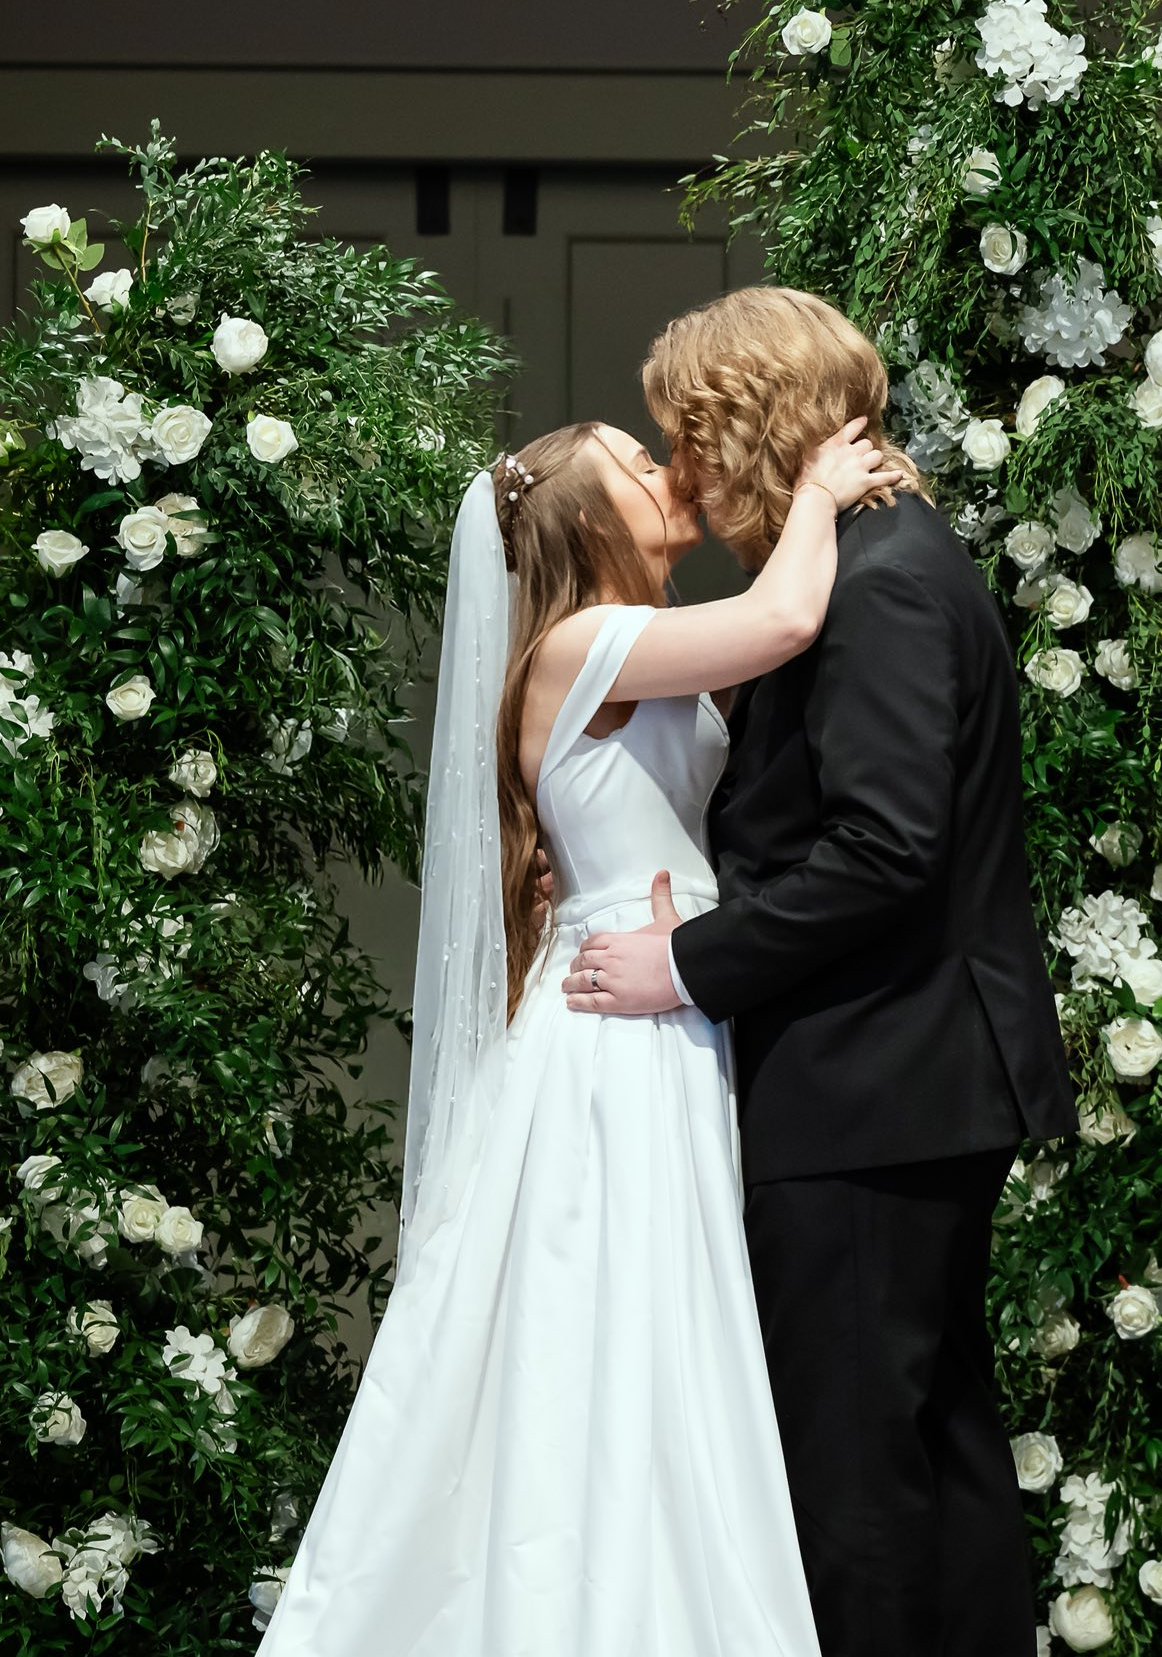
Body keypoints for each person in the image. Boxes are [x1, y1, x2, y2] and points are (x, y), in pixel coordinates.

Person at [255, 410, 900, 1656]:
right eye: (641, 466)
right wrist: (816, 492)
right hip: (618, 1032)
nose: (670, 470)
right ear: (592, 521)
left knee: (655, 1330)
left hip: (671, 993)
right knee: (611, 1320)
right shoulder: (583, 640)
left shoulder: (638, 639)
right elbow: (781, 622)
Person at [562, 286, 1081, 1657]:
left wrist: (685, 962)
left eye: (688, 435)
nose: (683, 469)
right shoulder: (877, 553)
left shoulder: (881, 580)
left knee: (849, 1470)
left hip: (875, 1080)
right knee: (936, 1446)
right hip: (906, 1076)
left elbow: (882, 850)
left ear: (744, 426)